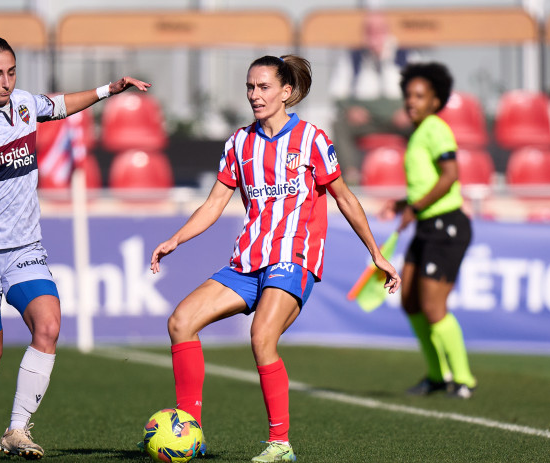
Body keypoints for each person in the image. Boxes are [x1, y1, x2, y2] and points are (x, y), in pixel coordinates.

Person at [150, 54, 400, 462]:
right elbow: (215, 203)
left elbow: (345, 198)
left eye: (263, 87)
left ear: (286, 92)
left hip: (294, 256)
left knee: (262, 337)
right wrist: (176, 239)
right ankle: (188, 431)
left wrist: (376, 253)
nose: (255, 95)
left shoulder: (312, 140)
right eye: (250, 87)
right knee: (180, 322)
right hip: (248, 260)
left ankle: (280, 443)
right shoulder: (239, 142)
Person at [0, 32, 150, 459]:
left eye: (12, 72)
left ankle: (16, 430)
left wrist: (110, 89)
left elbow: (63, 104)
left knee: (48, 327)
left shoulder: (25, 105)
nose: (6, 82)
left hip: (23, 248)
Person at [379, 62, 477, 399]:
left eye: (420, 96)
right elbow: (428, 182)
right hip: (426, 225)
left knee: (434, 307)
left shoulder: (435, 128)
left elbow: (450, 175)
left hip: (446, 225)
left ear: (436, 101)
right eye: (408, 95)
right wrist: (403, 202)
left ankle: (463, 379)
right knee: (409, 302)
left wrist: (415, 207)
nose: (411, 101)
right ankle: (437, 376)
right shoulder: (419, 132)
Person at [329, 11, 416, 183]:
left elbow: (422, 90)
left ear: (387, 30)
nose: (374, 35)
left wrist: (409, 110)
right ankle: (352, 176)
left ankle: (417, 173)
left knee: (422, 125)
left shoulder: (406, 56)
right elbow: (337, 93)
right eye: (370, 30)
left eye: (379, 29)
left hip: (399, 115)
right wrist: (350, 110)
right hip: (365, 118)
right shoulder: (352, 59)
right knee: (339, 125)